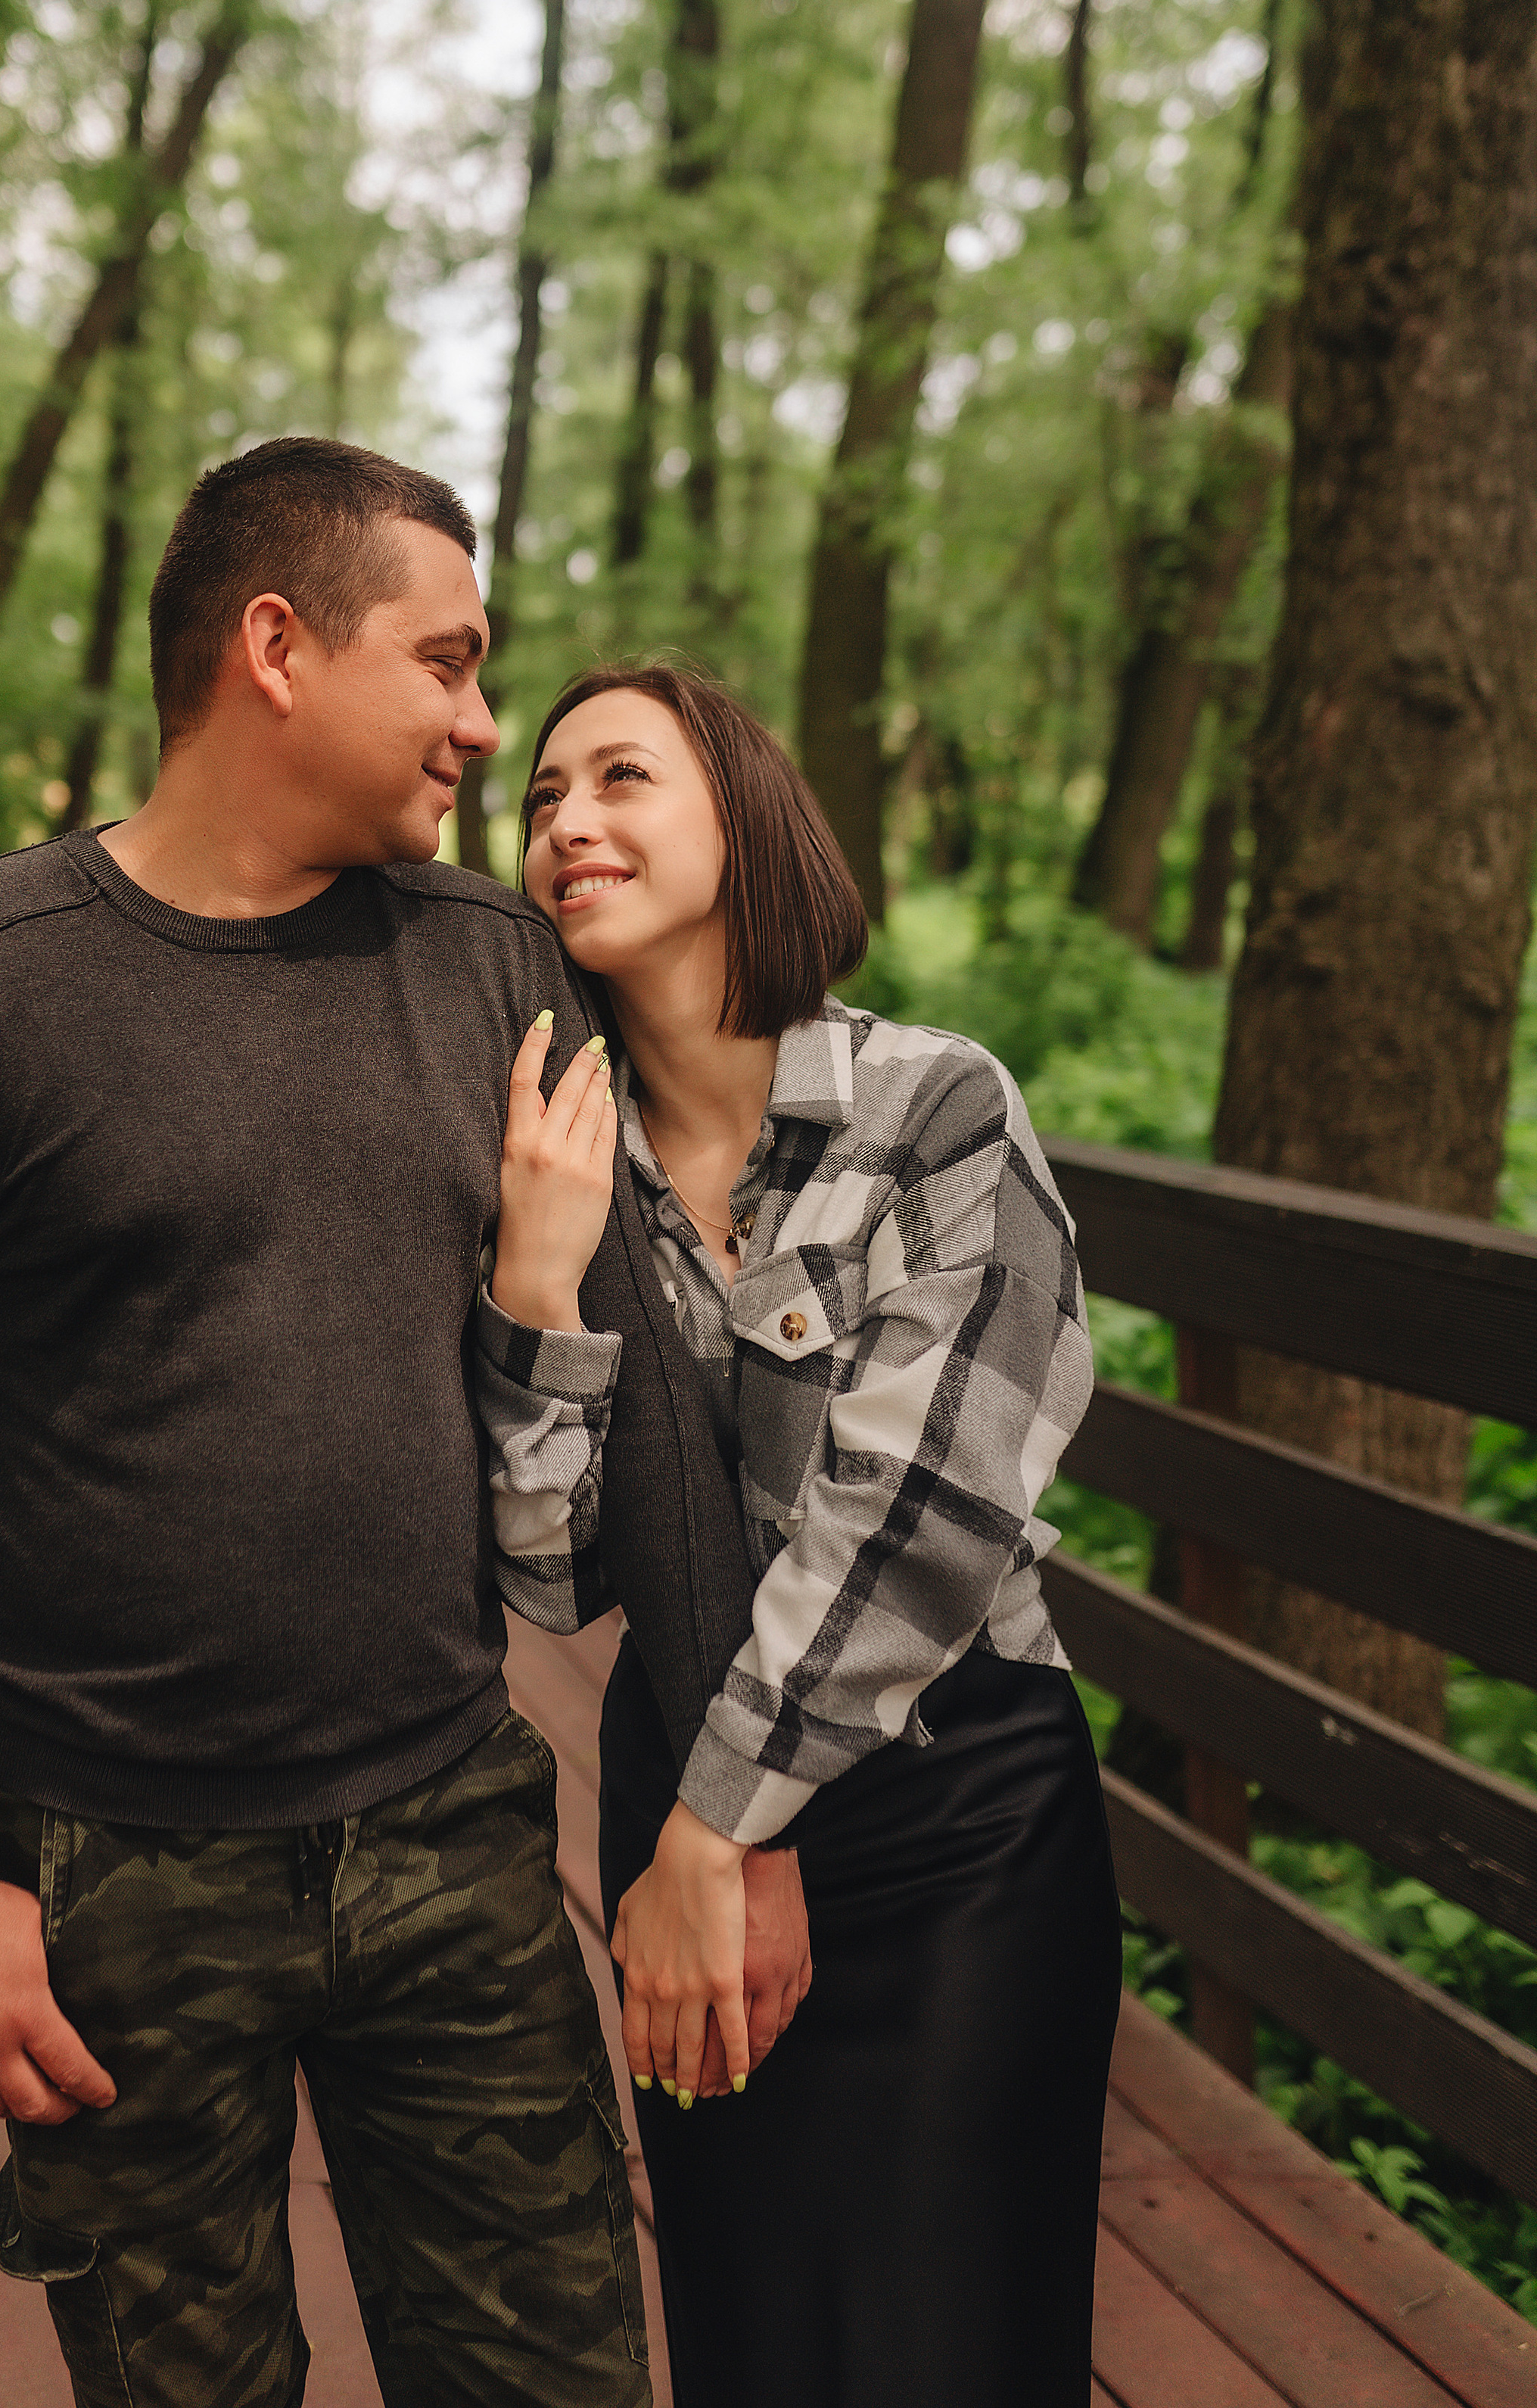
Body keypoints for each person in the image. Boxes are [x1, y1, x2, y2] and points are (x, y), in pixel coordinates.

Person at [0, 442, 803, 2408]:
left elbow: (653, 1387)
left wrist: (725, 1811)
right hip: (103, 1880)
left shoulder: (491, 958)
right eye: (452, 660)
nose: (489, 724)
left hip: (453, 1836)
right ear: (277, 647)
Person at [476, 662, 1122, 2408]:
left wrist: (710, 1829)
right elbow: (553, 1572)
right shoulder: (554, 1154)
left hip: (949, 1817)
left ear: (741, 818)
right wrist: (537, 1284)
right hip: (678, 1809)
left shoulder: (934, 1109)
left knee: (943, 2345)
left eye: (619, 776)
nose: (565, 822)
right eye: (540, 797)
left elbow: (926, 1512)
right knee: (760, 2334)